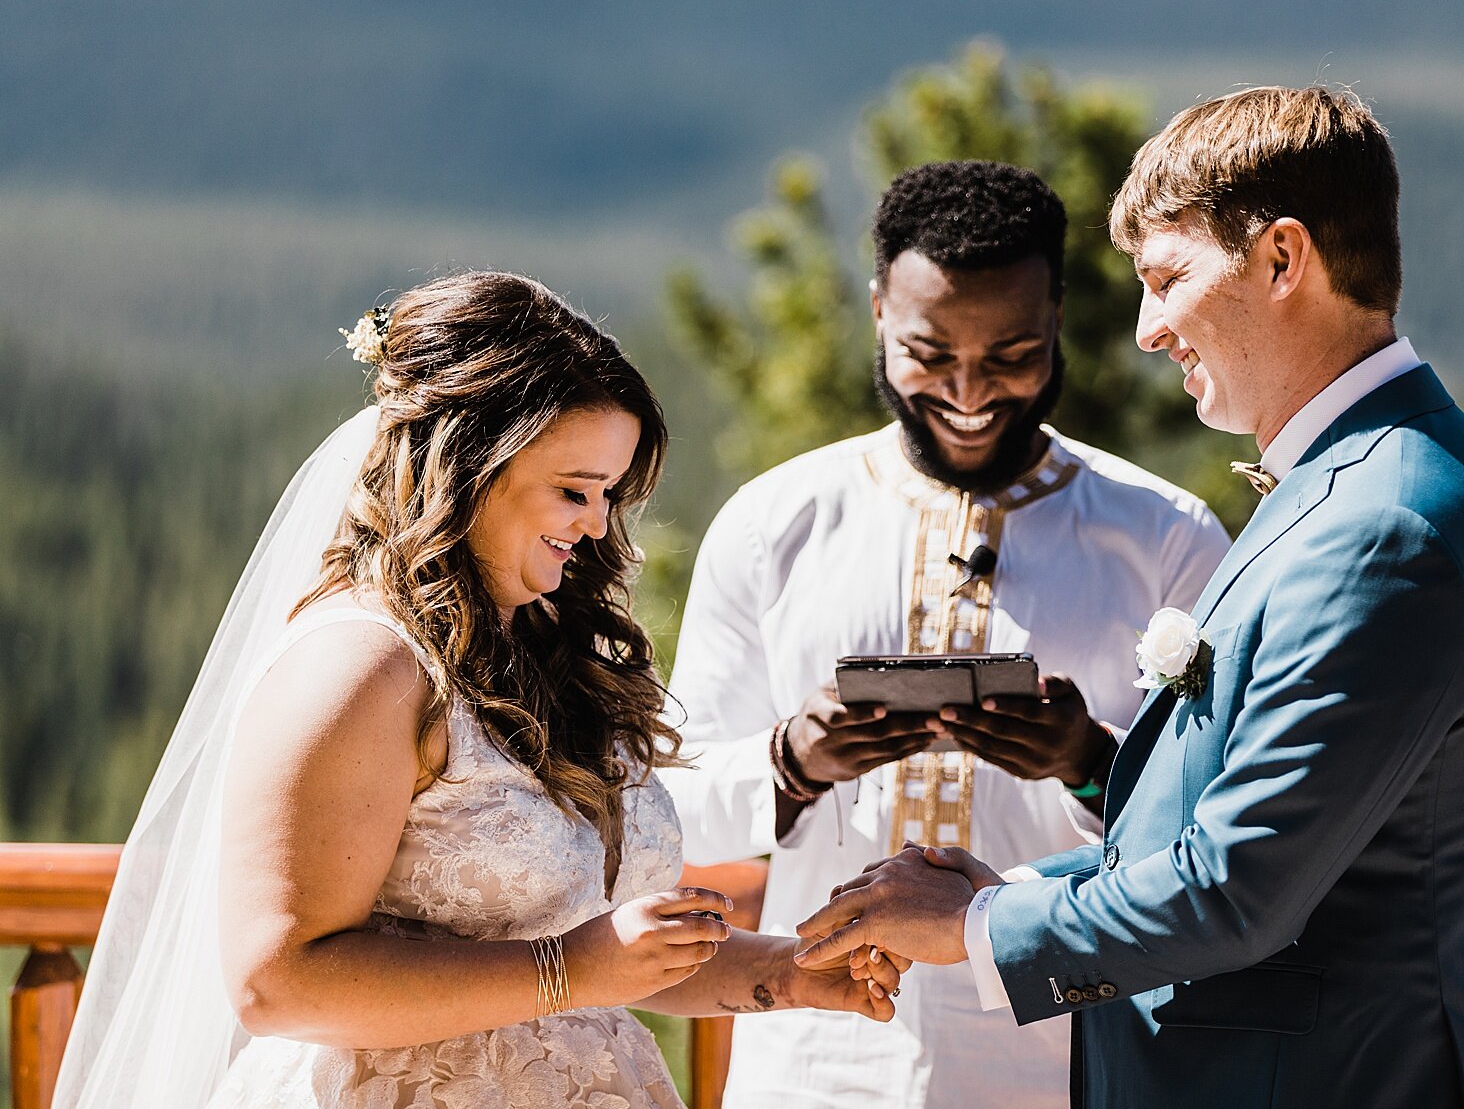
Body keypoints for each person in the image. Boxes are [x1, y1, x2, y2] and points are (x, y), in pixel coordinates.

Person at [796, 87, 1464, 1109]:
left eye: (1167, 278)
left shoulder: (1383, 525)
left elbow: (1240, 888)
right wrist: (1011, 893)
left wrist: (975, 931)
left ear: (1284, 259)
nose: (1147, 329)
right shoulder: (1345, 483)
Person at [53, 271, 903, 1109]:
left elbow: (606, 952)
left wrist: (787, 973)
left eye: (609, 493)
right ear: (465, 467)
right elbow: (276, 982)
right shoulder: (363, 666)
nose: (599, 526)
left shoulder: (548, 644)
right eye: (574, 490)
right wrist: (570, 971)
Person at [661, 161, 1232, 1108]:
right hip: (820, 1062)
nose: (969, 394)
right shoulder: (774, 523)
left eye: (1009, 357)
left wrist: (1088, 761)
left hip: (1067, 1057)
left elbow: (1216, 837)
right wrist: (790, 762)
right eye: (930, 354)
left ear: (1057, 319)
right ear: (880, 310)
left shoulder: (1165, 538)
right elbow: (671, 811)